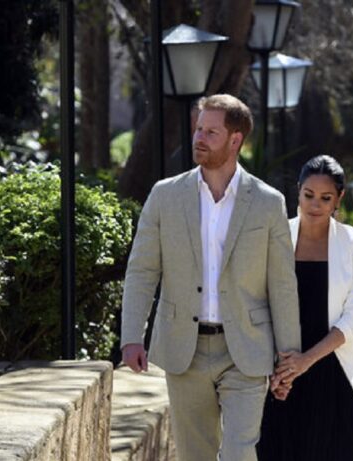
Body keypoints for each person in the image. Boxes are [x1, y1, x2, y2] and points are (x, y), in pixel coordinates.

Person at [120, 94, 301, 461]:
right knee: (195, 455)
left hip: (246, 348)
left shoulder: (268, 202)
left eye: (211, 132)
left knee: (238, 452)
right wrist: (131, 337)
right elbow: (142, 270)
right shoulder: (165, 196)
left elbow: (282, 284)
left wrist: (289, 355)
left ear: (236, 140)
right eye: (198, 129)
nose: (199, 138)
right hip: (183, 347)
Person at [257, 155, 353, 461]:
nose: (315, 205)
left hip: (335, 369)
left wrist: (306, 361)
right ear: (298, 190)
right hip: (282, 367)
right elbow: (259, 303)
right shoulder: (276, 237)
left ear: (339, 198)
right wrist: (280, 369)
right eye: (308, 195)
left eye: (325, 198)